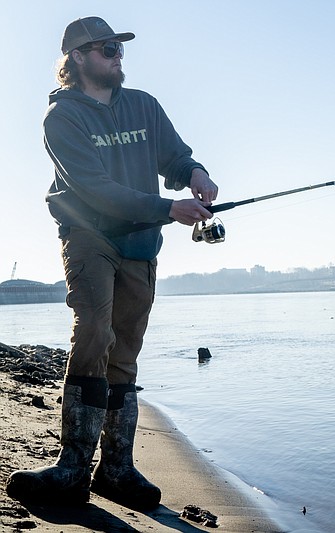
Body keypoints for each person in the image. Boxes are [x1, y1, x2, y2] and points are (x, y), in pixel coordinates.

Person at [6, 16, 218, 510]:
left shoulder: (143, 104)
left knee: (125, 350)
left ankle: (116, 469)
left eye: (119, 49)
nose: (117, 56)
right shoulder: (61, 119)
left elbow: (174, 156)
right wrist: (167, 208)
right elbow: (95, 190)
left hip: (141, 243)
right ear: (77, 57)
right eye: (106, 49)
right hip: (89, 234)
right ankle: (73, 466)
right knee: (95, 332)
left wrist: (196, 174)